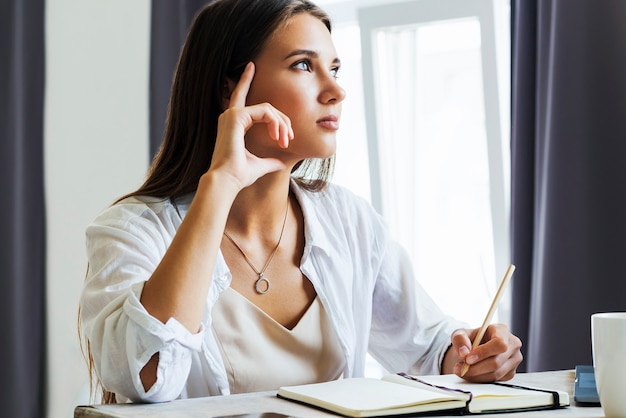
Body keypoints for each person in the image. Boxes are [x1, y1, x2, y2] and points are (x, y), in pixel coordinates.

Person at [79, 0, 522, 404]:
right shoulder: (131, 231)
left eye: (335, 68)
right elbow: (145, 379)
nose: (335, 91)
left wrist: (474, 353)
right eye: (304, 66)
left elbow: (429, 347)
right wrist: (220, 184)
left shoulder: (348, 221)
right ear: (229, 90)